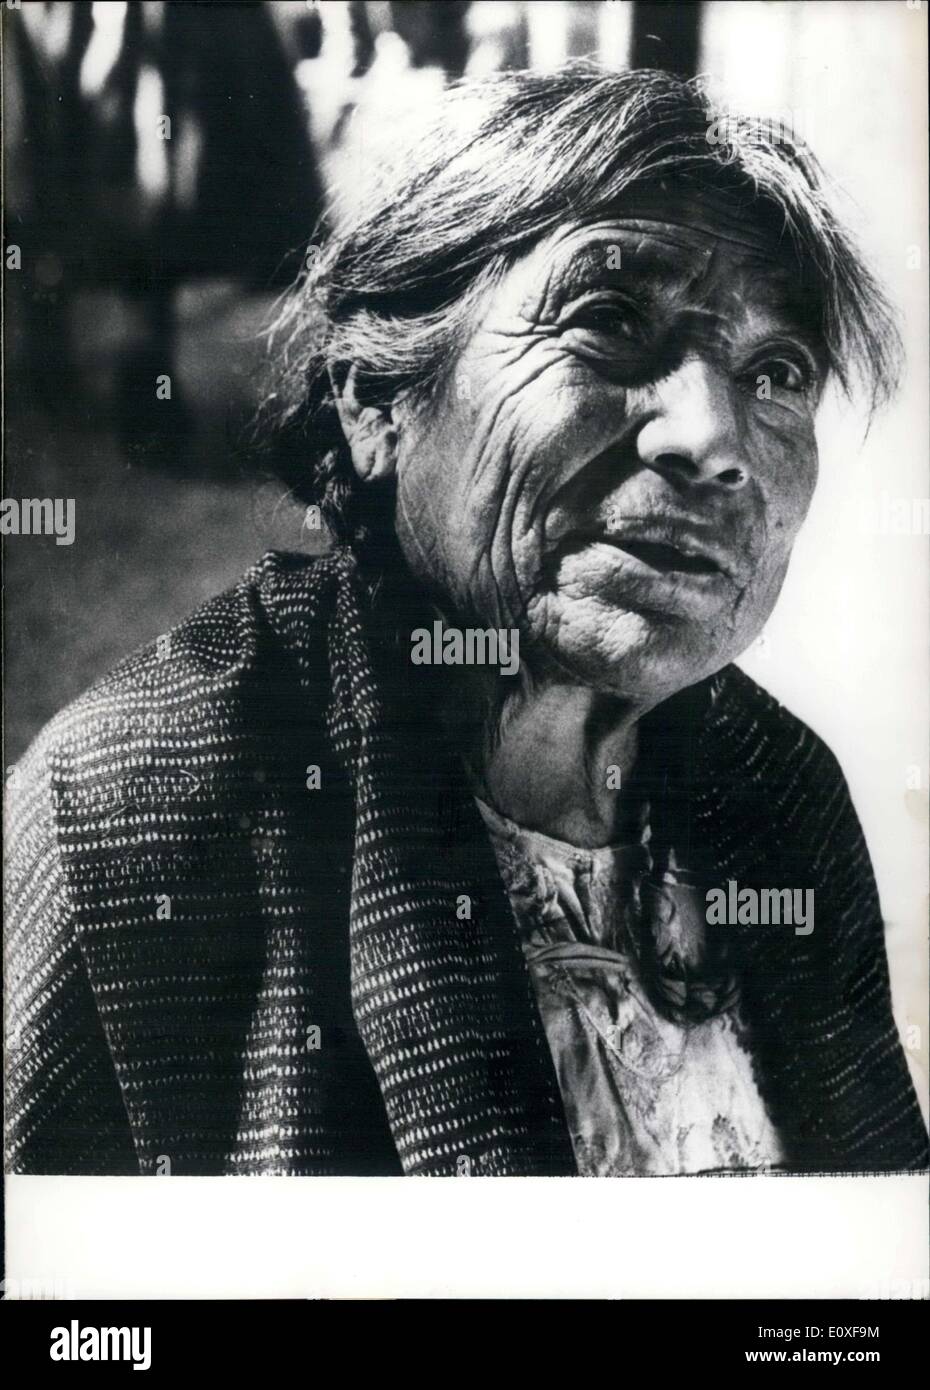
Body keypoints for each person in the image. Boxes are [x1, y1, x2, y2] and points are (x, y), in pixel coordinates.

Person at [6, 66, 927, 1177]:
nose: (712, 435)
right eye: (605, 319)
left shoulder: (782, 792)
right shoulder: (133, 802)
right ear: (376, 399)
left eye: (777, 370)